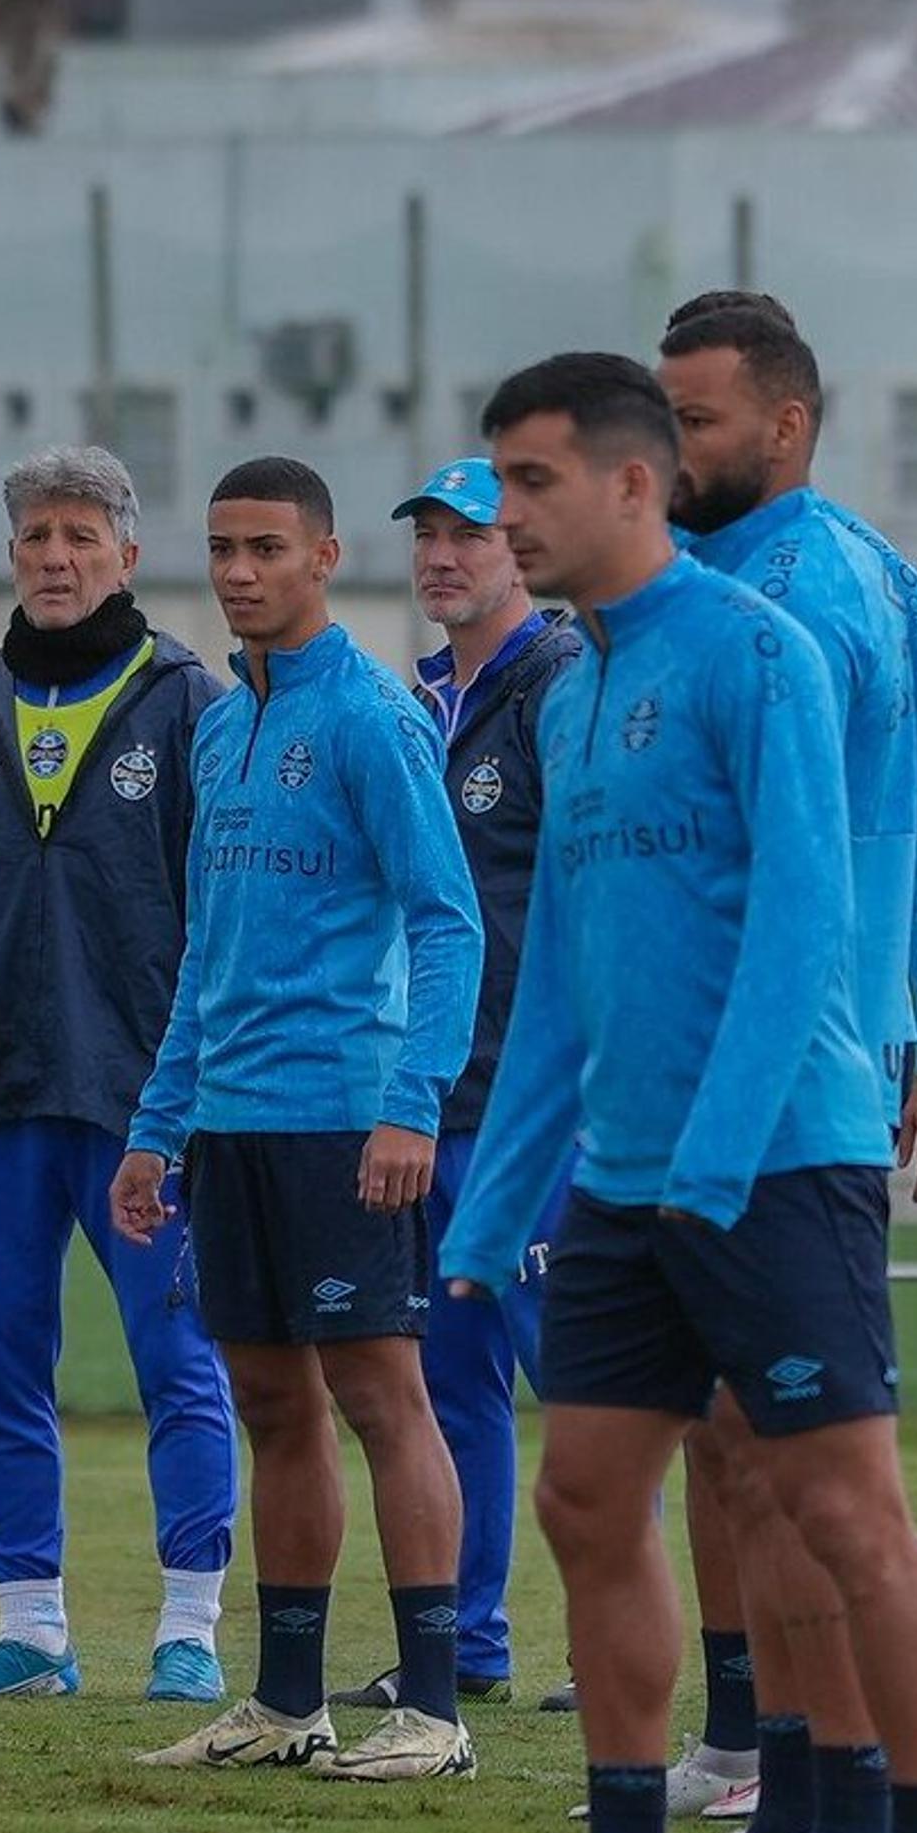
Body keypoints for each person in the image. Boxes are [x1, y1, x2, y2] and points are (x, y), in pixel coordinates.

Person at [424, 350, 917, 1833]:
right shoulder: (579, 689)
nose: (500, 513)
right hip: (628, 1175)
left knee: (842, 1513)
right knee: (589, 1495)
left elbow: (808, 916)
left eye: (529, 481)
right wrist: (495, 1205)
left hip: (775, 1164)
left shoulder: (762, 651)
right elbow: (567, 992)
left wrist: (717, 1168)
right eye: (494, 479)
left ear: (630, 483)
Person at [653, 293, 917, 1833]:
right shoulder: (692, 589)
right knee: (729, 1451)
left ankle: (855, 1824)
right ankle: (787, 1799)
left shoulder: (839, 585)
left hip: (806, 1087)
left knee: (803, 1468)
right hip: (697, 1084)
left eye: (697, 420)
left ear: (783, 424)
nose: (672, 447)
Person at [114, 456, 483, 1783]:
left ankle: (434, 1705)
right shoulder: (221, 726)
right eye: (221, 547)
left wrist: (410, 1102)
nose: (238, 571)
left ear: (325, 558)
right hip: (233, 1121)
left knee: (384, 1395)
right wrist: (162, 1125)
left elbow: (447, 921)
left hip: (346, 1114)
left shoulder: (377, 717)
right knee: (271, 1400)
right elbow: (208, 950)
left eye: (266, 546)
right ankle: (284, 1700)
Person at [0, 445, 236, 1703]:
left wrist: (204, 1091)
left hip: (148, 1107)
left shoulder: (189, 702)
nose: (57, 557)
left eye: (81, 534)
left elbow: (227, 914)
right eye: (35, 539)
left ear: (128, 553)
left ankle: (190, 1626)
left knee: (180, 1364)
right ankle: (31, 1631)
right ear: (12, 558)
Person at [326, 459, 582, 1719]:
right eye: (425, 534)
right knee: (446, 1382)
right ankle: (469, 1640)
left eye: (465, 533)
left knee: (585, 1383)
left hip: (539, 1106)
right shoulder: (418, 699)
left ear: (521, 545)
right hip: (430, 1096)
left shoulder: (562, 686)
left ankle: (603, 1648)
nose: (440, 555)